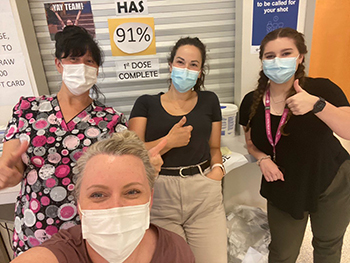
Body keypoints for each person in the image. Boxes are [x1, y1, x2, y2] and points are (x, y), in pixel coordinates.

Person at [0, 25, 128, 256]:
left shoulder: (111, 120)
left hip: (89, 231)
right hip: (35, 228)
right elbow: (13, 166)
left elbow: (121, 173)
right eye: (73, 59)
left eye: (89, 61)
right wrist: (7, 173)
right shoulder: (28, 109)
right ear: (58, 64)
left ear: (97, 69)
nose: (82, 67)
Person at [239, 27, 350, 263]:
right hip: (283, 185)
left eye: (286, 53)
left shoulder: (322, 89)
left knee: (328, 245)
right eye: (270, 56)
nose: (277, 61)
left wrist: (318, 105)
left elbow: (348, 130)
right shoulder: (252, 101)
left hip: (331, 180)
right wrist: (262, 158)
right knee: (282, 252)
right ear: (262, 61)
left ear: (300, 57)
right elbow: (250, 142)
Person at [11, 130, 196, 263]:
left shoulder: (176, 250)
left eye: (132, 192)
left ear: (150, 199)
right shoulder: (61, 254)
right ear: (79, 204)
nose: (116, 207)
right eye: (98, 194)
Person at [129, 37, 227, 263]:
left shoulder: (210, 100)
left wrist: (218, 171)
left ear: (201, 72)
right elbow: (133, 153)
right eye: (181, 62)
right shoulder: (146, 103)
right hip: (161, 192)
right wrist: (168, 141)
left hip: (204, 191)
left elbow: (214, 147)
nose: (186, 69)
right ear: (170, 65)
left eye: (194, 65)